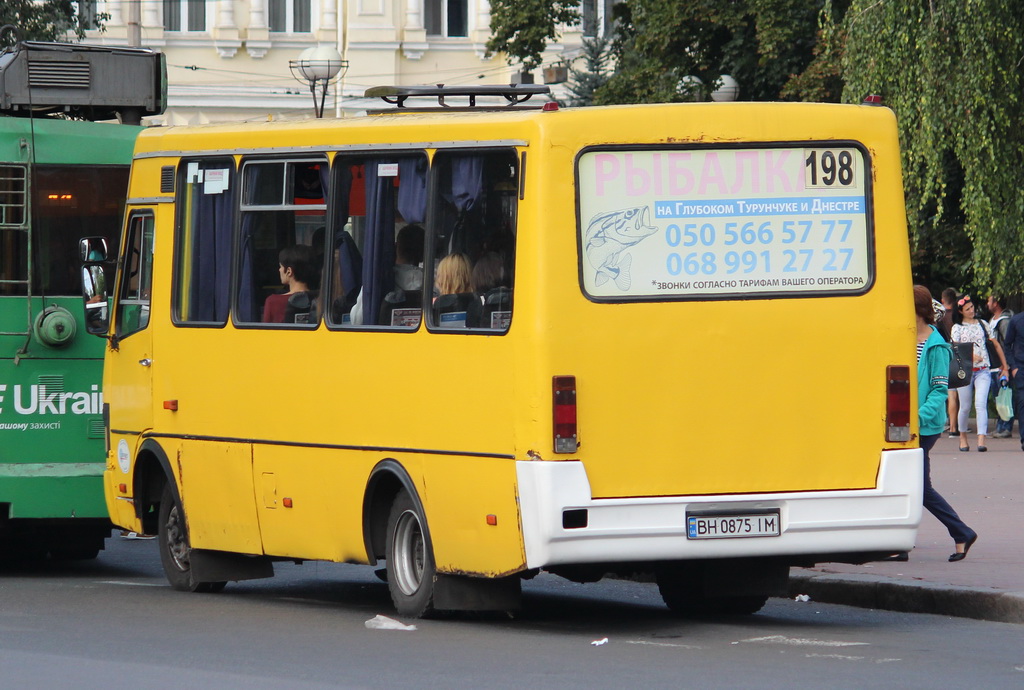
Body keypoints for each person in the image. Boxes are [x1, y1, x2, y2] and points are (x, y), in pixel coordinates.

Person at [913, 285, 978, 562]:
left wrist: (915, 419)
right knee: (913, 486)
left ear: (916, 310)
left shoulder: (936, 345)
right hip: (904, 425)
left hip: (923, 427)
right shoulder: (902, 338)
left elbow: (939, 392)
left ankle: (961, 531)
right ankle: (899, 542)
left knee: (920, 488)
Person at [950, 293, 1009, 452]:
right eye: (967, 309)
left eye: (972, 307)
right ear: (961, 311)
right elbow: (955, 349)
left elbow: (996, 345)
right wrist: (969, 355)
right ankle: (962, 437)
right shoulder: (957, 328)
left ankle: (981, 439)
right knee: (965, 406)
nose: (971, 310)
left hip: (983, 370)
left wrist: (1005, 366)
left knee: (981, 404)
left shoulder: (983, 324)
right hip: (965, 371)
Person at [348, 224, 424, 326]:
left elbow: (357, 319)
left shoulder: (377, 279)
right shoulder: (434, 282)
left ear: (395, 247)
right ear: (423, 254)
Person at [262, 244, 317, 323]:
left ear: (289, 271)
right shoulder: (320, 298)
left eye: (280, 266)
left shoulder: (273, 302)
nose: (279, 270)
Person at [987, 295, 1015, 438]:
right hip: (994, 365)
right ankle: (999, 426)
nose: (987, 303)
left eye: (989, 301)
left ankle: (1006, 427)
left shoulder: (1004, 322)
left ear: (996, 304)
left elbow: (1008, 343)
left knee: (1005, 395)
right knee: (998, 396)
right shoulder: (993, 321)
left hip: (1002, 366)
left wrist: (1006, 366)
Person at [1001, 308, 1024, 452]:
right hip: (1021, 368)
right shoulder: (1016, 320)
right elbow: (1007, 344)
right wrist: (1013, 367)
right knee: (1022, 402)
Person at [940, 287, 958, 436]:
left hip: (947, 351)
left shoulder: (941, 316)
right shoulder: (957, 315)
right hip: (962, 353)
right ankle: (958, 423)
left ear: (943, 300)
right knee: (962, 389)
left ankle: (950, 425)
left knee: (950, 391)